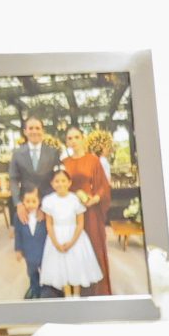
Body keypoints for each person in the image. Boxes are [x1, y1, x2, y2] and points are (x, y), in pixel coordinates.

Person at [60, 126, 113, 296]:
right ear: (66, 142)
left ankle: (97, 290)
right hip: (70, 213)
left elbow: (103, 185)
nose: (73, 141)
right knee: (74, 249)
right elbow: (59, 185)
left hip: (90, 211)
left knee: (93, 246)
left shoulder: (93, 160)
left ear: (82, 139)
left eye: (76, 137)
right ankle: (77, 291)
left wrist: (95, 199)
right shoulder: (64, 163)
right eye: (69, 138)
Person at [39, 167, 102, 297]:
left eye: (63, 181)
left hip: (75, 236)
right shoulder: (49, 200)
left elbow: (80, 223)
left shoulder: (75, 199)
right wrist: (55, 243)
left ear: (69, 182)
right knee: (62, 265)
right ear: (52, 184)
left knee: (75, 264)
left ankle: (76, 295)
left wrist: (72, 242)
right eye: (57, 181)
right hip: (56, 236)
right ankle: (67, 295)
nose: (60, 184)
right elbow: (49, 223)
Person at [7, 117, 59, 224]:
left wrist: (45, 206)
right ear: (25, 132)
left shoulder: (53, 153)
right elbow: (13, 179)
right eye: (31, 128)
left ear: (43, 131)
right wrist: (19, 204)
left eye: (37, 128)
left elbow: (57, 180)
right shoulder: (17, 154)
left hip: (48, 205)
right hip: (26, 206)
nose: (34, 131)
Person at [13, 185, 54, 299]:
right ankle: (35, 289)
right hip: (28, 250)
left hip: (43, 250)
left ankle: (47, 289)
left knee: (46, 270)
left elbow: (50, 230)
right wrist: (18, 250)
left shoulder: (44, 214)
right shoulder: (18, 216)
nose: (30, 204)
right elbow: (17, 233)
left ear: (39, 201)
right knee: (31, 272)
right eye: (27, 201)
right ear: (23, 201)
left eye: (34, 201)